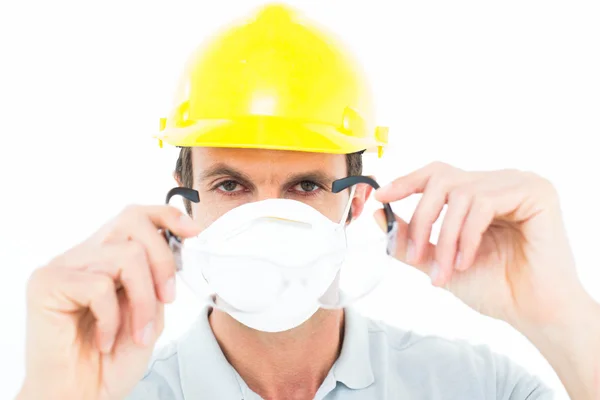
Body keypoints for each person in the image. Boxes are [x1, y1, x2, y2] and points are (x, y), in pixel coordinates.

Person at [16, 3, 599, 400]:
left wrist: (562, 316)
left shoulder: (475, 386)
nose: (268, 218)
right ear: (181, 202)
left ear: (358, 202)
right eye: (230, 185)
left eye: (305, 186)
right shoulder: (107, 390)